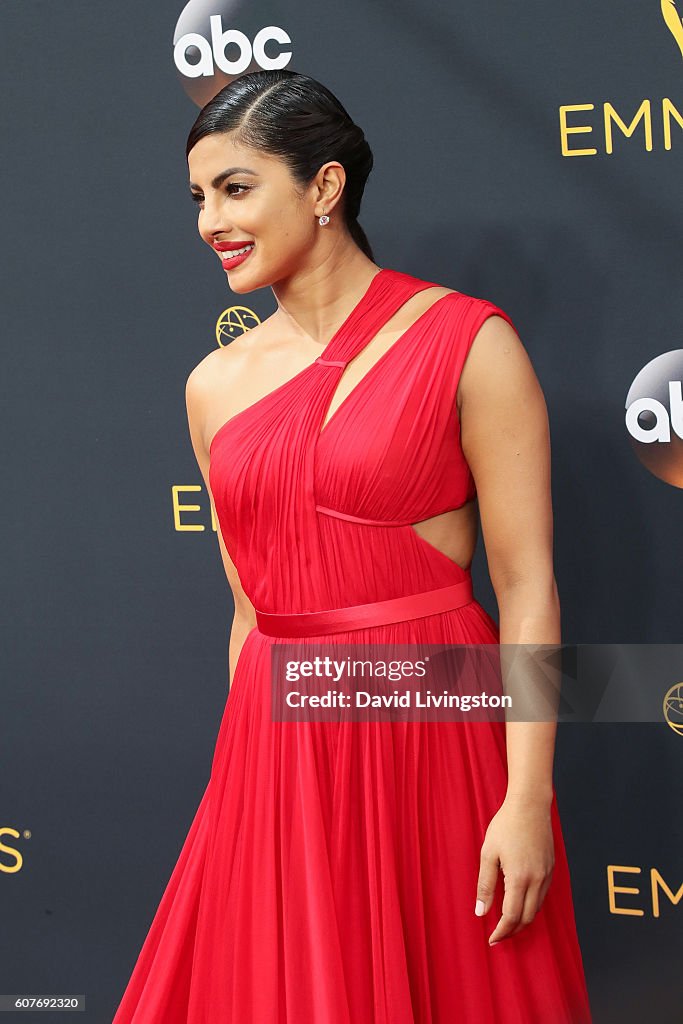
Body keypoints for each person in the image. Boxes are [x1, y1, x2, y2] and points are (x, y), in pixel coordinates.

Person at [113, 68, 592, 1023]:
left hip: (430, 732)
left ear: (324, 189)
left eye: (237, 187)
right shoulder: (214, 386)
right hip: (274, 751)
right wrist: (240, 784)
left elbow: (527, 587)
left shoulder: (466, 340)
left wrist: (526, 794)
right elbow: (250, 609)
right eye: (199, 197)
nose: (210, 220)